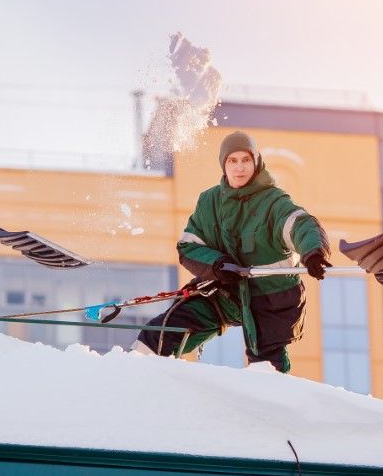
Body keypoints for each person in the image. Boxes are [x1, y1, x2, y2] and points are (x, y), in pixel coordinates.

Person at [134, 131, 332, 372]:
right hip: (224, 292)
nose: (240, 168)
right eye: (232, 161)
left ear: (256, 162)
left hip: (270, 299)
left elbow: (299, 224)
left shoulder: (273, 202)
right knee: (161, 334)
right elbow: (188, 247)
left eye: (246, 160)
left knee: (267, 371)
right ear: (223, 165)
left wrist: (313, 251)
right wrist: (218, 265)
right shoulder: (210, 202)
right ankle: (136, 375)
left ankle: (269, 406)